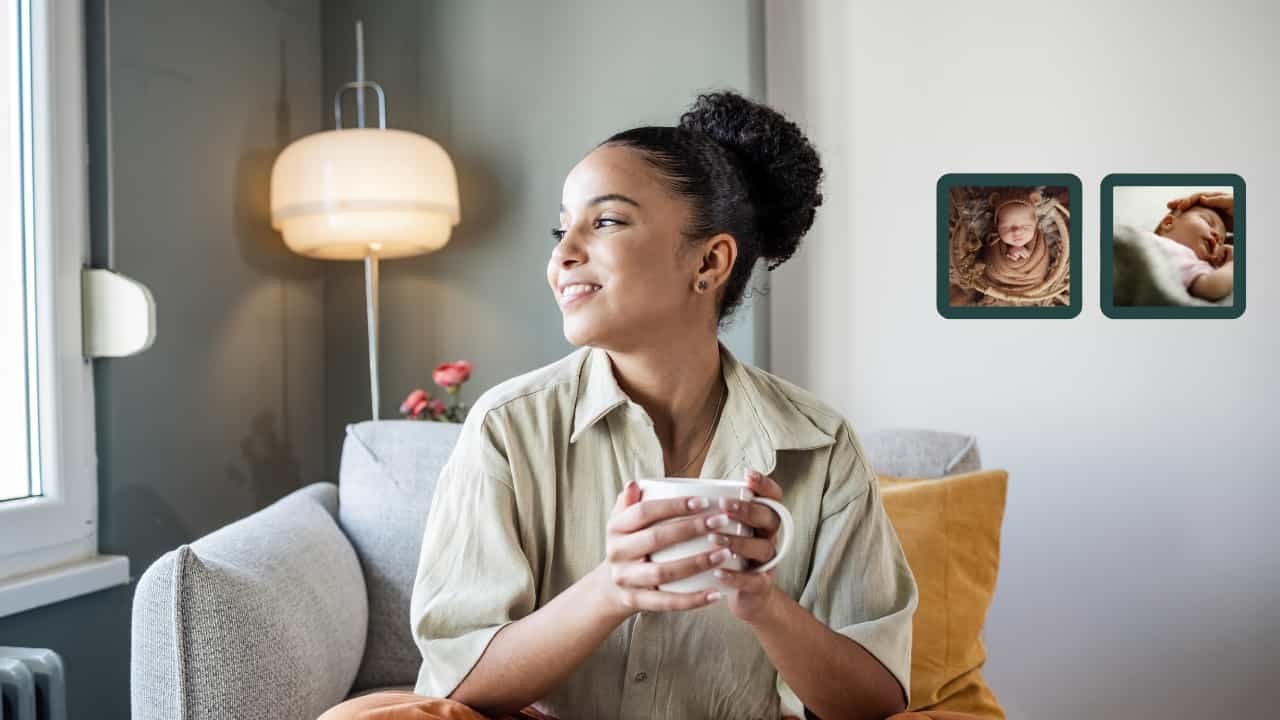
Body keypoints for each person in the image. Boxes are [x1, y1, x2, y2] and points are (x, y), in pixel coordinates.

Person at [319, 90, 919, 720]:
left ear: (710, 261)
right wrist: (613, 587)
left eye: (604, 221)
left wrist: (762, 601)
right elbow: (457, 687)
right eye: (562, 226)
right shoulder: (508, 426)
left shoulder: (822, 446)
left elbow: (874, 704)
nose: (563, 252)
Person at [1149, 190, 1234, 301]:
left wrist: (1232, 264)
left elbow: (1212, 287)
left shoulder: (1191, 261)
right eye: (1208, 222)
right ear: (1168, 223)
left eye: (1222, 242)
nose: (1217, 235)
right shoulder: (1144, 237)